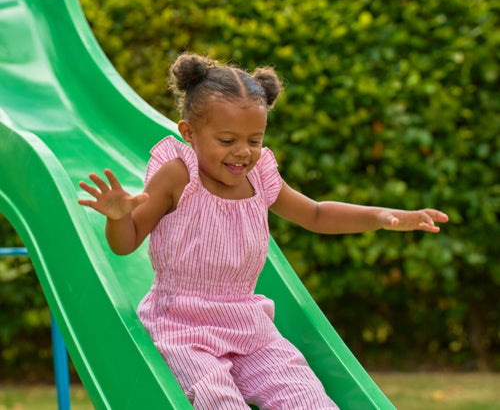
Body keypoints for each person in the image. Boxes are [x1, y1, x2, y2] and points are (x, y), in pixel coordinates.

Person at [78, 53, 448, 409]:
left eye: (254, 140)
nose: (243, 152)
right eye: (227, 141)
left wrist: (380, 215)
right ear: (189, 133)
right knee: (216, 400)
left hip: (250, 326)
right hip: (182, 327)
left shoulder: (259, 177)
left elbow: (316, 214)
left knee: (305, 396)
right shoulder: (178, 175)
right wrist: (117, 216)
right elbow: (125, 244)